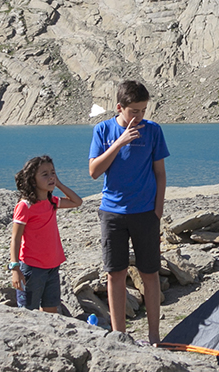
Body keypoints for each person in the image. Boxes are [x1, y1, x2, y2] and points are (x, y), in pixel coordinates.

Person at [89, 79, 169, 344]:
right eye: (134, 111)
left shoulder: (153, 131)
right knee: (116, 273)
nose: (140, 116)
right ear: (119, 107)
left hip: (145, 213)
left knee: (149, 273)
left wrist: (157, 210)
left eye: (144, 110)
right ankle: (119, 335)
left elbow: (160, 173)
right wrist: (119, 143)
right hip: (112, 213)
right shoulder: (103, 130)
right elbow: (94, 171)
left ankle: (154, 335)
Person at [10, 155, 83, 312]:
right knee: (28, 311)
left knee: (50, 310)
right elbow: (15, 239)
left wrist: (59, 184)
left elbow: (77, 202)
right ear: (32, 180)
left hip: (52, 266)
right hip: (31, 269)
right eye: (45, 174)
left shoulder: (52, 202)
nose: (51, 177)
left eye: (53, 173)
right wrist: (15, 268)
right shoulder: (25, 206)